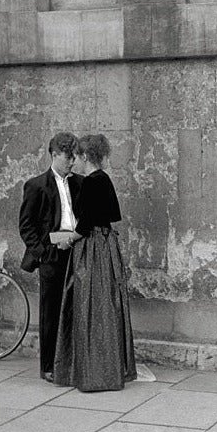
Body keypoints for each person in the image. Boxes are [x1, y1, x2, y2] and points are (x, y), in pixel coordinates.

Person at [53, 133, 137, 392]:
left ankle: (94, 371)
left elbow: (86, 224)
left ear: (86, 156)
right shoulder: (106, 180)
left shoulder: (91, 182)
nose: (74, 161)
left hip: (92, 249)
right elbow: (110, 216)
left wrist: (68, 240)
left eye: (77, 156)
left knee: (89, 306)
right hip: (107, 246)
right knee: (107, 306)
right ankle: (111, 367)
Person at [18, 132, 81, 383]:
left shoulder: (79, 183)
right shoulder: (36, 185)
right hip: (52, 254)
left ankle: (72, 361)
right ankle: (48, 366)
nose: (72, 162)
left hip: (76, 250)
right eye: (68, 157)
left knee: (75, 308)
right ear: (54, 155)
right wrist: (42, 253)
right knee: (51, 311)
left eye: (74, 156)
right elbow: (26, 226)